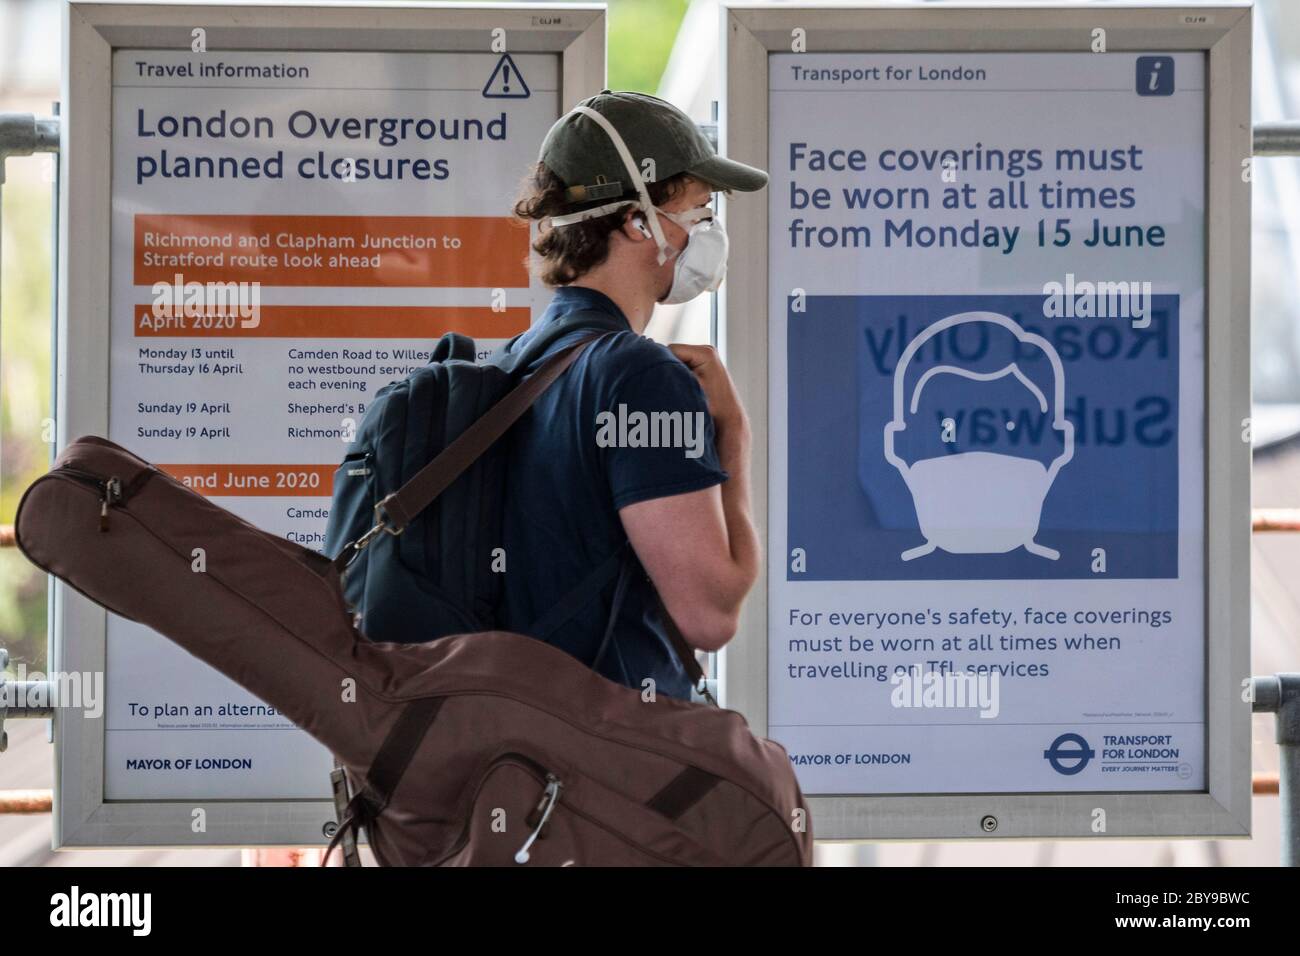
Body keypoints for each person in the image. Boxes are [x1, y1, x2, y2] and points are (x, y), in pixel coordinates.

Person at [498, 91, 766, 701]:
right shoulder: (639, 377)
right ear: (635, 220)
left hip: (522, 739)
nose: (708, 228)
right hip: (603, 754)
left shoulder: (520, 359)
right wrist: (735, 439)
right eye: (699, 208)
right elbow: (711, 615)